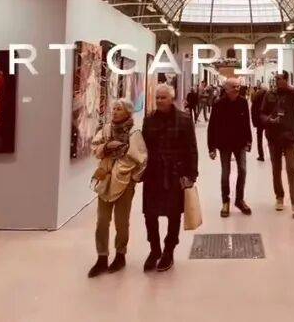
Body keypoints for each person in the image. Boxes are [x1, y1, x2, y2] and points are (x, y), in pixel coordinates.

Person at [141, 84, 199, 272]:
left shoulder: (184, 119)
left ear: (171, 99)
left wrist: (191, 175)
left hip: (175, 174)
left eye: (163, 97)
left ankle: (169, 250)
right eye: (157, 97)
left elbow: (191, 148)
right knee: (150, 214)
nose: (159, 101)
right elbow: (143, 148)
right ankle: (154, 249)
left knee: (174, 215)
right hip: (153, 174)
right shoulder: (149, 120)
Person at [88, 98, 147, 277]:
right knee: (102, 220)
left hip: (124, 182)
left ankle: (120, 254)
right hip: (106, 180)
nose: (114, 112)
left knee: (122, 221)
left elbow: (142, 159)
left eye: (119, 109)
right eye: (113, 108)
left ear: (128, 112)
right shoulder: (106, 129)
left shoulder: (134, 133)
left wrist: (132, 178)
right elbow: (94, 147)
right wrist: (106, 146)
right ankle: (102, 256)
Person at [260, 71, 294, 218]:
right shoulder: (269, 94)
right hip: (274, 137)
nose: (277, 81)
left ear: (286, 80)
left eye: (280, 79)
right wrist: (269, 120)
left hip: (290, 137)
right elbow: (262, 113)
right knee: (276, 169)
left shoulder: (293, 94)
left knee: (291, 169)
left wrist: (293, 90)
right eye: (276, 79)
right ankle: (279, 197)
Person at [207, 78, 253, 217]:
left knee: (243, 170)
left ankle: (239, 200)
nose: (237, 89)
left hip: (240, 143)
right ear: (226, 89)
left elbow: (246, 122)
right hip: (224, 144)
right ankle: (225, 201)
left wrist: (249, 141)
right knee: (225, 173)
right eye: (234, 86)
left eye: (238, 86)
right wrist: (211, 147)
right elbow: (212, 126)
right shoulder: (218, 104)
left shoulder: (243, 102)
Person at [250, 84, 268, 162]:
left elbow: (253, 109)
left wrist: (254, 121)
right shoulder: (269, 96)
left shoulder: (257, 96)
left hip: (259, 120)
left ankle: (261, 155)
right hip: (267, 119)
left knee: (259, 138)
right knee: (270, 137)